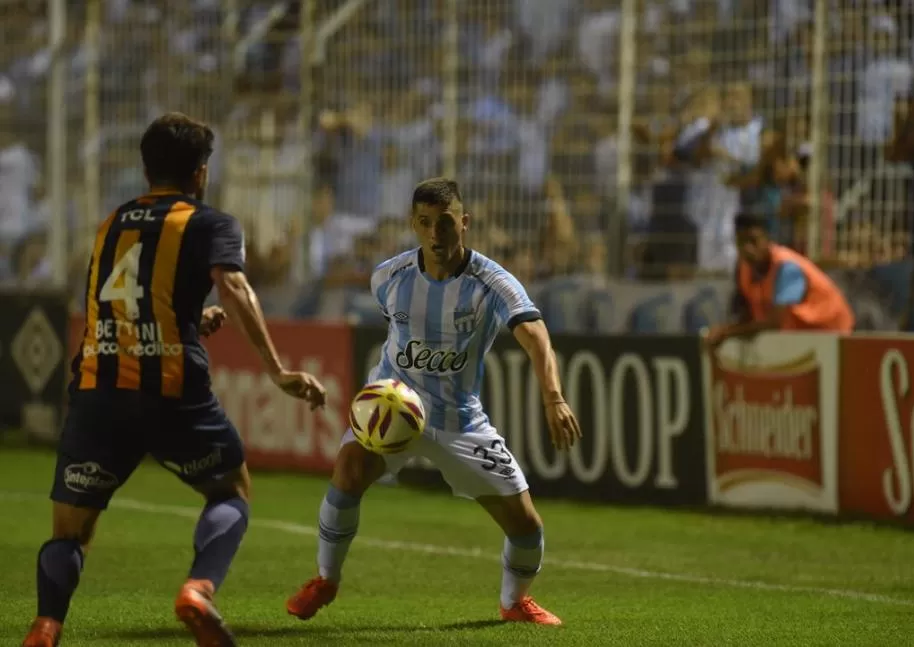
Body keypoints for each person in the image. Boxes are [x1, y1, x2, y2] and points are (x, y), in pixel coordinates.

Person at [21, 112, 327, 647]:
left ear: (145, 168)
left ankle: (46, 627)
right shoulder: (210, 222)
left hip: (99, 394)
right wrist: (276, 370)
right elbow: (232, 284)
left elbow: (113, 305)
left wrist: (188, 319)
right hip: (172, 393)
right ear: (201, 172)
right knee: (230, 491)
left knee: (70, 530)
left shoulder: (110, 223)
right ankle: (198, 590)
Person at [286, 178, 582, 626]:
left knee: (527, 526)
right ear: (413, 225)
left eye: (445, 223)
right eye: (425, 223)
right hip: (393, 407)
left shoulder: (492, 282)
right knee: (347, 471)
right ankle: (325, 579)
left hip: (459, 420)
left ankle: (514, 602)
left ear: (463, 223)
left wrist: (554, 397)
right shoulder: (388, 277)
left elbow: (536, 336)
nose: (435, 235)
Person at [705, 211, 854, 349]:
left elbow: (775, 323)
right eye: (742, 242)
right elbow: (746, 315)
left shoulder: (787, 268)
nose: (748, 248)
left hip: (834, 334)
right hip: (802, 337)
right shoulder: (743, 268)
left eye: (753, 241)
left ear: (767, 240)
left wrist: (726, 333)